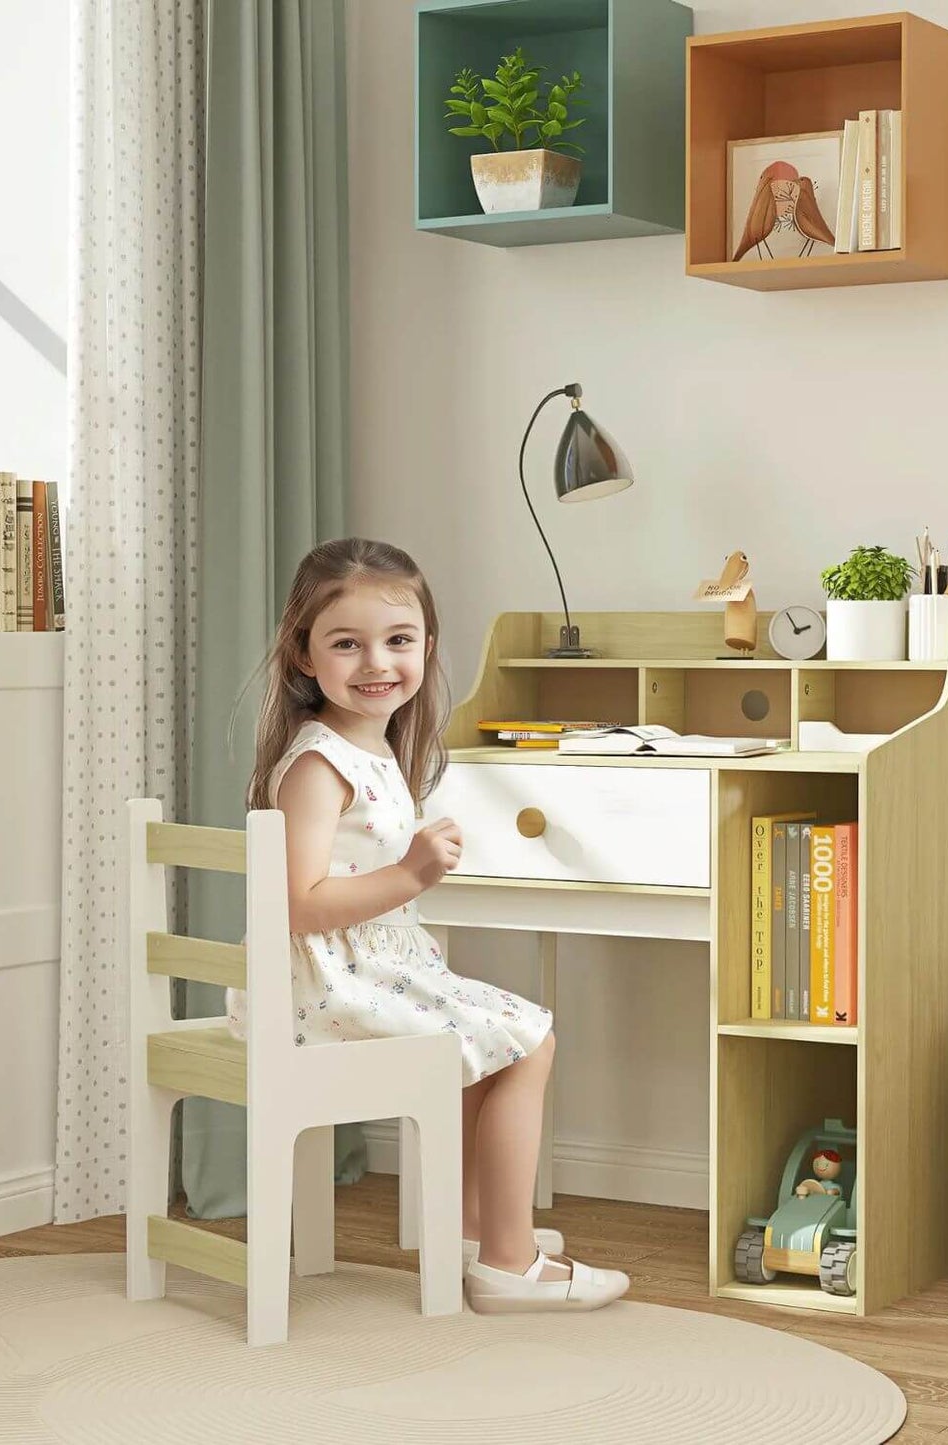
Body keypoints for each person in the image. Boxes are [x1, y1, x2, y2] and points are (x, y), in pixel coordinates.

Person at [225, 538, 628, 1314]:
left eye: (398, 641)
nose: (377, 661)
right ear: (303, 655)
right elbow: (299, 902)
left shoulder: (366, 746)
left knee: (485, 1041)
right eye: (347, 643)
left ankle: (479, 1226)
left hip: (362, 971)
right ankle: (509, 1265)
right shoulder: (318, 764)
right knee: (528, 1038)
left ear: (427, 648)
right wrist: (409, 873)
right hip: (322, 990)